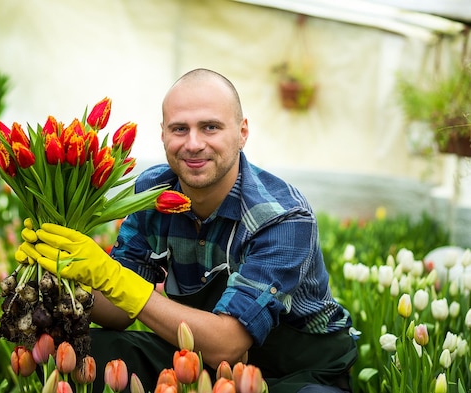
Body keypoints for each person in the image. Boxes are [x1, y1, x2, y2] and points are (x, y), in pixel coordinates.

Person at [23, 68, 358, 392]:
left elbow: (227, 345)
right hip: (198, 353)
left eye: (210, 127)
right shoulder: (153, 193)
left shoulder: (282, 217)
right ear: (163, 134)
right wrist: (61, 277)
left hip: (296, 368)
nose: (193, 143)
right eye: (179, 129)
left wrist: (114, 277)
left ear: (242, 132)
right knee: (76, 354)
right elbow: (119, 314)